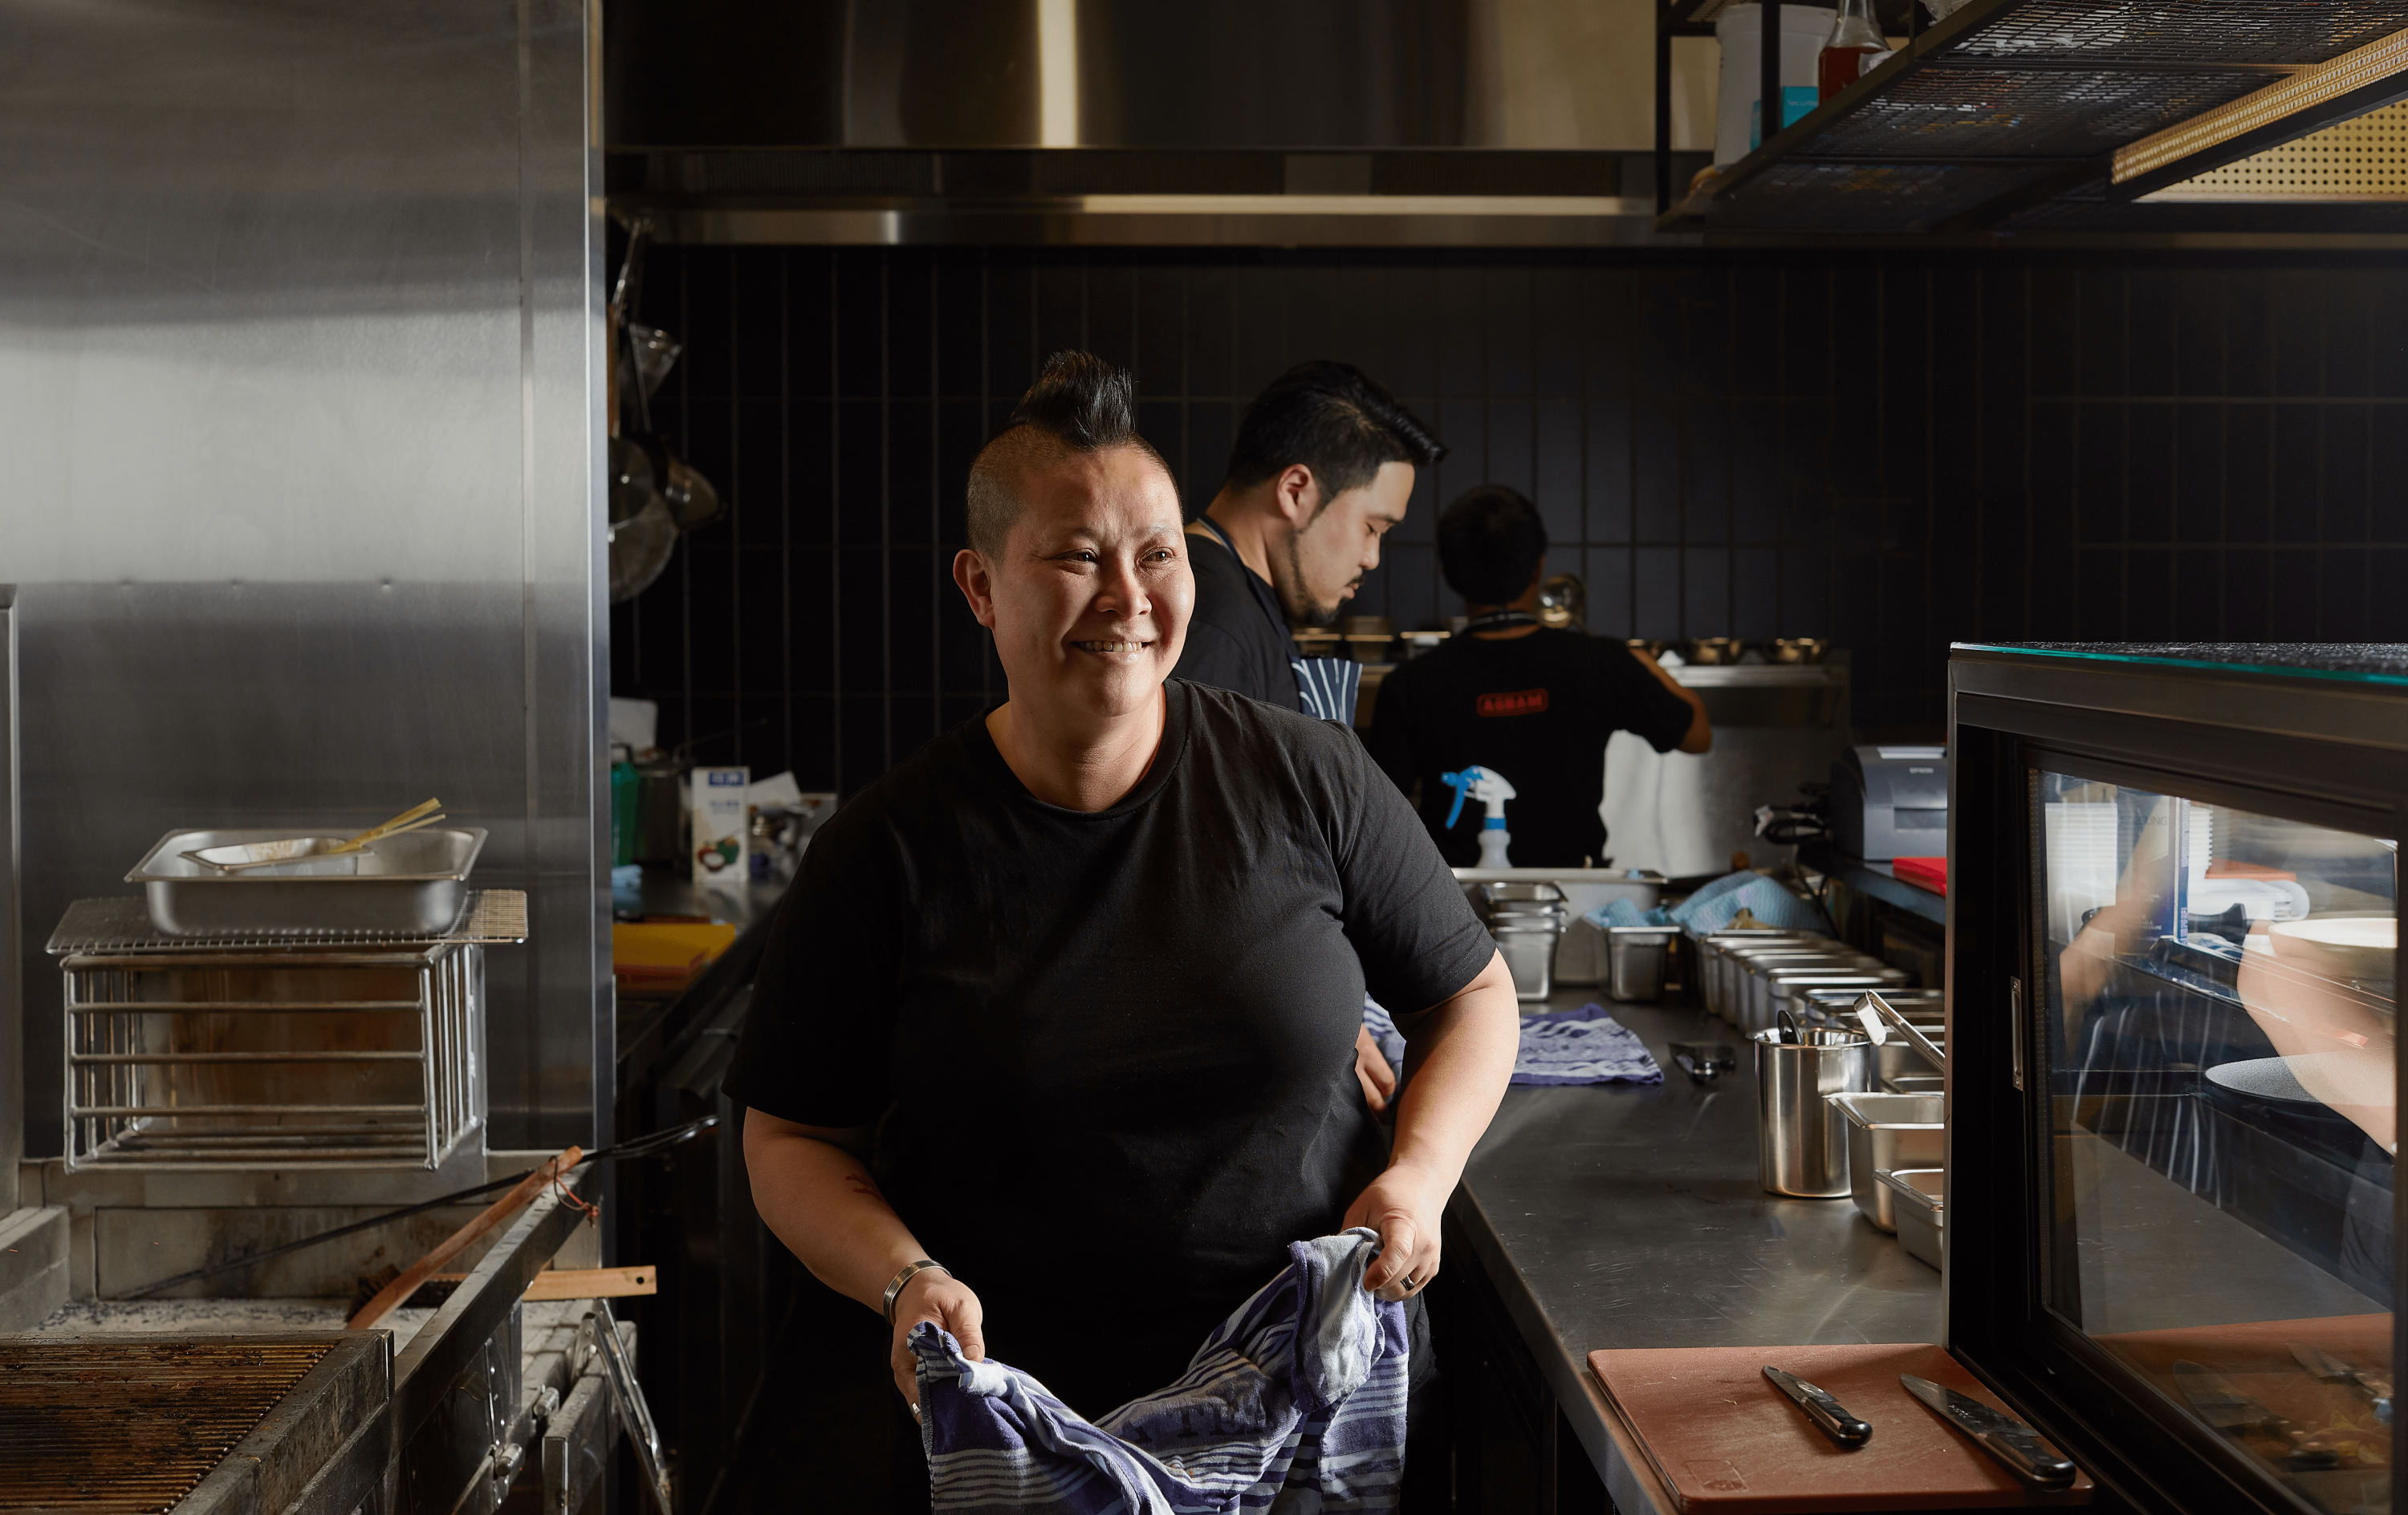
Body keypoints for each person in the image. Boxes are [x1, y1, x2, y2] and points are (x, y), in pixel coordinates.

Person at [730, 352, 1519, 1498]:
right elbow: (791, 1138)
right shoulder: (886, 850)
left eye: (1155, 554)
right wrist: (902, 1280)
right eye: (1074, 556)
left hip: (1303, 1405)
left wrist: (1419, 1177)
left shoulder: (1309, 777)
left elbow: (1474, 998)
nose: (1128, 598)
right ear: (980, 585)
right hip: (1027, 1425)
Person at [1364, 485, 1710, 869]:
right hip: (1573, 897)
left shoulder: (1411, 684)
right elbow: (1697, 734)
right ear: (1539, 567)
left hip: (1451, 907)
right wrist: (1638, 659)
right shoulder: (1601, 662)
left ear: (1448, 573)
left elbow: (1378, 820)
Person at [1171, 359, 1445, 716]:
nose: (1372, 558)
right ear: (1295, 492)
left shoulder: (1236, 599)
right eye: (1372, 528)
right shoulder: (1212, 626)